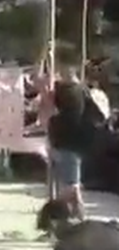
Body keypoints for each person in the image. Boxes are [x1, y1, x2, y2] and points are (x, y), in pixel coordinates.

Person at [48, 75, 94, 220]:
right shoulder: (81, 109)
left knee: (70, 189)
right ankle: (79, 220)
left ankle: (74, 220)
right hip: (74, 149)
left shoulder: (59, 117)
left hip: (64, 148)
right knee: (72, 188)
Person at [37, 198, 119, 250]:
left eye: (48, 230)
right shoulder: (94, 225)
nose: (52, 236)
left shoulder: (67, 244)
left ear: (53, 223)